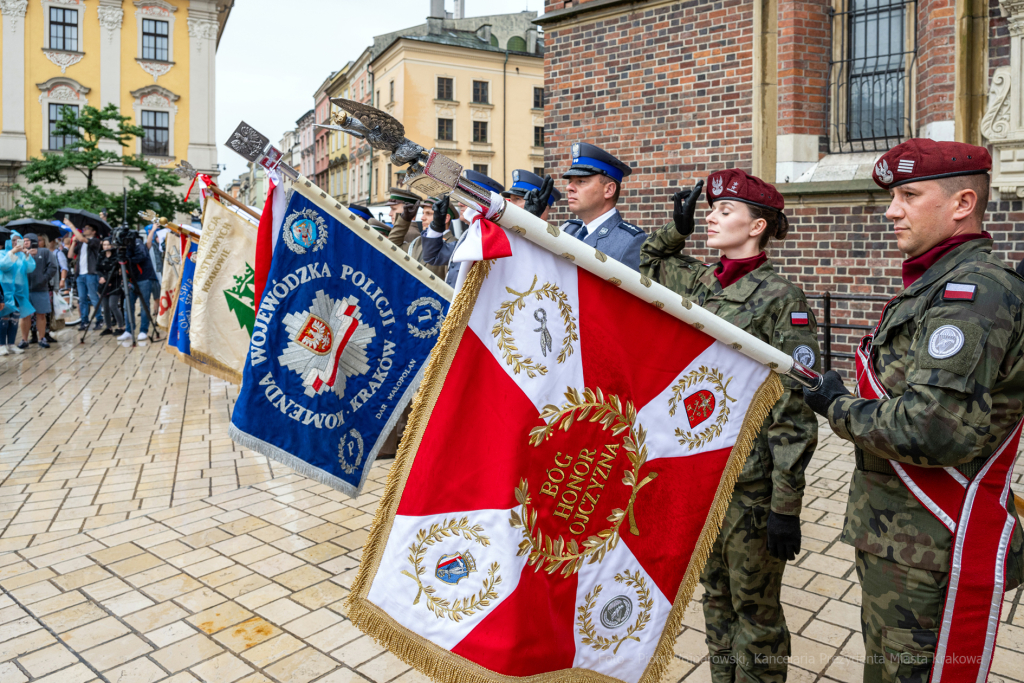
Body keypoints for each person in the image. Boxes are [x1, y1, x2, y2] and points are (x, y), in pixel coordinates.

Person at [803, 139, 1024, 683]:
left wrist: (839, 407)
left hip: (931, 545)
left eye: (909, 194)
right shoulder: (934, 285)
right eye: (893, 195)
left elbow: (935, 429)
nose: (892, 209)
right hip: (898, 535)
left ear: (962, 203)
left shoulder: (972, 296)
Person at [641, 170, 819, 683]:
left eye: (725, 211)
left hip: (751, 483)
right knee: (715, 596)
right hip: (701, 471)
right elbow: (647, 265)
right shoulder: (699, 279)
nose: (712, 217)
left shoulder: (782, 297)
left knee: (755, 612)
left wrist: (786, 505)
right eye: (711, 210)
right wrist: (677, 229)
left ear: (757, 226)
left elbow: (795, 405)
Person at [560, 142, 646, 270]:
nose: (569, 188)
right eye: (570, 181)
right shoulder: (568, 230)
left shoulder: (630, 242)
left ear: (609, 190)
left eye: (581, 181)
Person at [421, 170, 504, 288]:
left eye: (466, 198)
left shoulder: (495, 238)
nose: (460, 204)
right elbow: (433, 256)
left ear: (485, 203)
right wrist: (437, 225)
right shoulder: (467, 236)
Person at [0, 233, 33, 355]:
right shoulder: (2, 253)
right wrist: (12, 253)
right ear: (8, 241)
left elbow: (30, 269)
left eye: (19, 240)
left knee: (14, 319)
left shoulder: (22, 255)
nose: (16, 242)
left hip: (18, 292)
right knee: (3, 319)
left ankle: (11, 344)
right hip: (5, 290)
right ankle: (1, 345)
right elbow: (3, 266)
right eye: (13, 240)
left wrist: (27, 255)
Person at [67, 219, 104, 330]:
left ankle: (99, 319)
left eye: (87, 228)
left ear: (93, 232)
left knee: (93, 297)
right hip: (80, 274)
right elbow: (70, 255)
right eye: (84, 228)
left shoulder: (95, 241)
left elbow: (83, 238)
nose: (84, 230)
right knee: (82, 299)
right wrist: (73, 242)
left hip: (91, 273)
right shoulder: (80, 242)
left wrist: (71, 225)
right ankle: (84, 321)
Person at [123, 232, 160, 341]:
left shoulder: (137, 243)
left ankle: (143, 330)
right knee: (127, 306)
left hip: (143, 278)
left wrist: (128, 259)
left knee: (144, 306)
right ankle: (128, 331)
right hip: (130, 279)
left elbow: (141, 256)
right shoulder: (123, 248)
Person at [97, 238, 127, 339]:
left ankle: (121, 326)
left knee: (113, 305)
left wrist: (106, 278)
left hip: (114, 284)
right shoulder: (101, 255)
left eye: (108, 244)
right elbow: (98, 268)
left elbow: (117, 271)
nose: (106, 247)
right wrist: (102, 277)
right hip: (103, 285)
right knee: (105, 307)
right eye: (104, 245)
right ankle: (108, 327)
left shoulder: (116, 257)